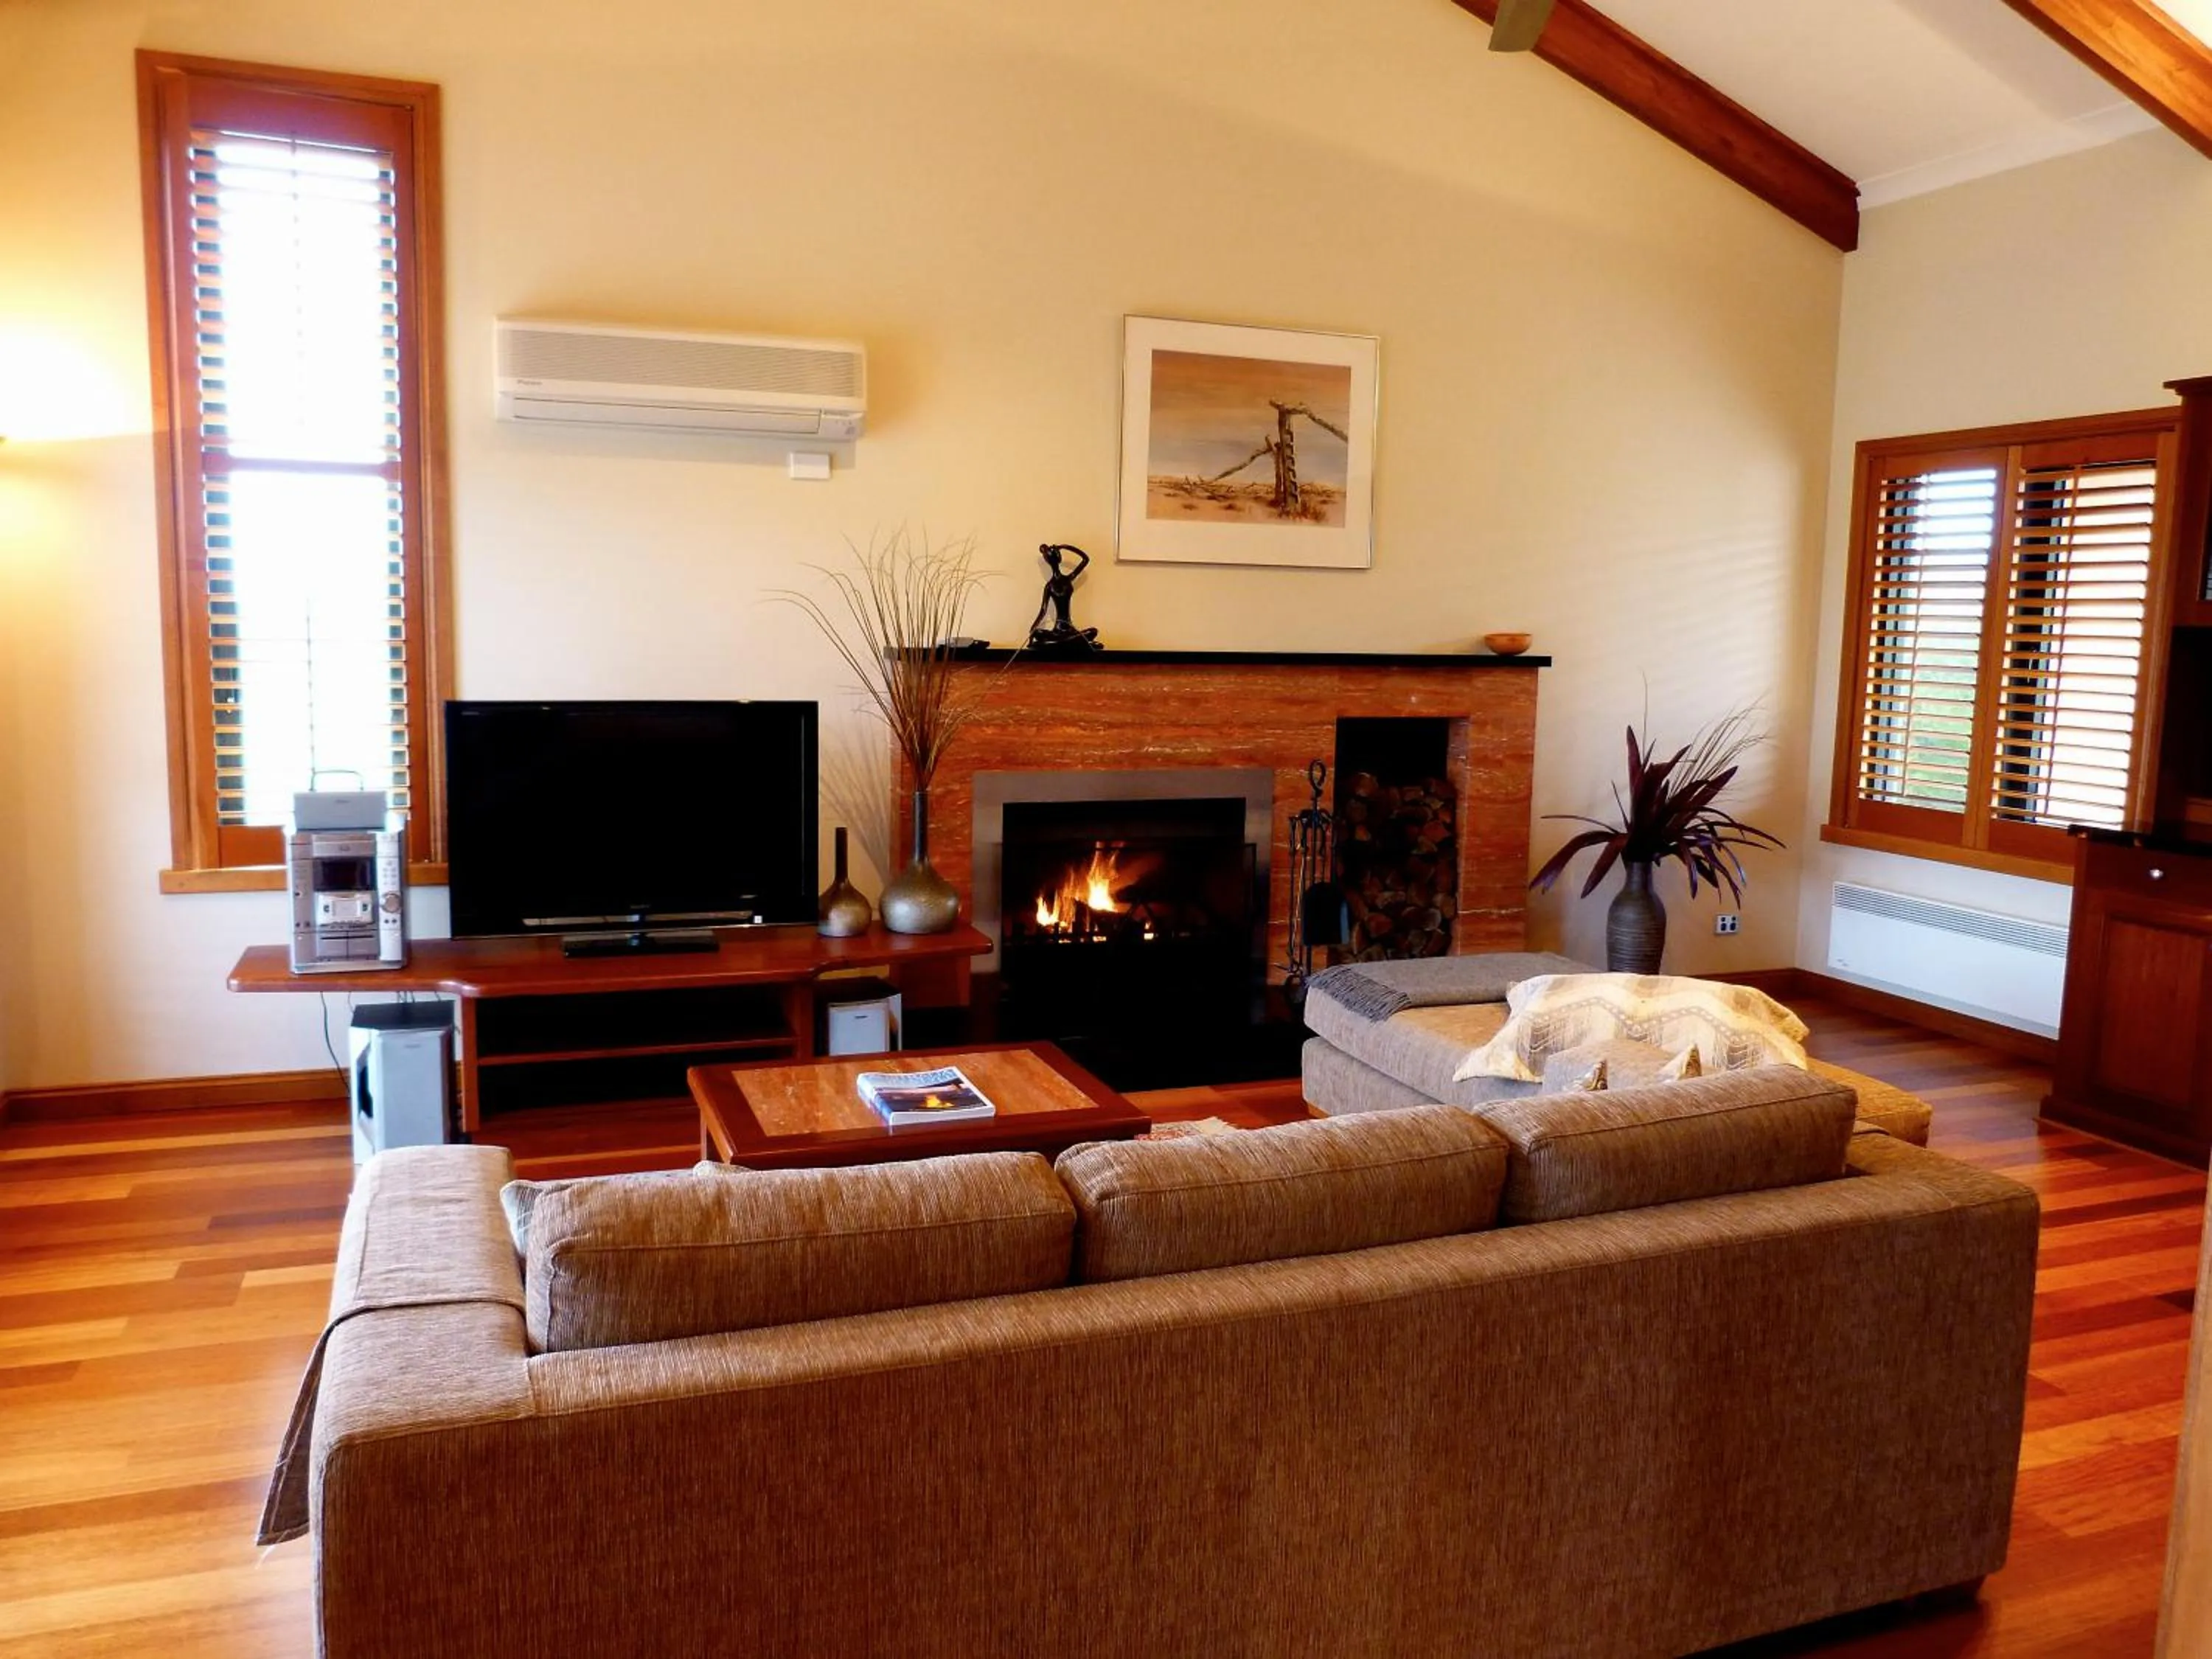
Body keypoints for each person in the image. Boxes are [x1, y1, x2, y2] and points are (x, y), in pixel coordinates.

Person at [1027, 543, 1100, 652]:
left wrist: (1065, 546)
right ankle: (1069, 644)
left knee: (1093, 632)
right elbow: (1043, 611)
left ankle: (1060, 644)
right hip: (1057, 632)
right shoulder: (1050, 586)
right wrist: (1032, 632)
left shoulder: (1068, 579)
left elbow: (1085, 559)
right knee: (1038, 632)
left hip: (1071, 631)